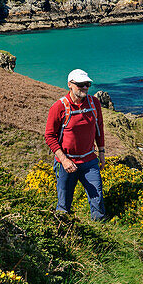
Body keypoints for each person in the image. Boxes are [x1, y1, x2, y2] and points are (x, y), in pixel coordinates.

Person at [44, 69, 108, 221]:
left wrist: (102, 154)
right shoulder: (59, 107)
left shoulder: (94, 103)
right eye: (80, 84)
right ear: (70, 85)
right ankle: (63, 235)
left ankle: (100, 235)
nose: (85, 87)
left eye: (87, 84)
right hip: (66, 163)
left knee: (97, 200)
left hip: (89, 161)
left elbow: (99, 128)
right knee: (63, 205)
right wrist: (64, 160)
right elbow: (49, 136)